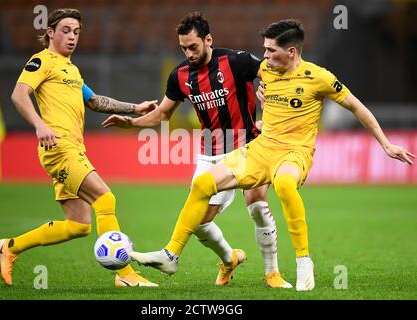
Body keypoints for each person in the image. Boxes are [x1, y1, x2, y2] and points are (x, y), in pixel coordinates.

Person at [126, 19, 415, 291]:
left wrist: (386, 144)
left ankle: (303, 261)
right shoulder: (266, 70)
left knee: (284, 186)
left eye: (270, 50)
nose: (263, 55)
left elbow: (356, 107)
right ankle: (171, 254)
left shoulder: (319, 77)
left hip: (295, 152)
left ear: (290, 52)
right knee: (202, 184)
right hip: (261, 147)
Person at [102, 12, 292, 288]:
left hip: (247, 145)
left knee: (258, 207)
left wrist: (268, 92)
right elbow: (163, 114)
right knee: (199, 223)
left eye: (193, 46)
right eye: (183, 48)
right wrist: (132, 123)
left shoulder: (235, 61)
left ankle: (272, 273)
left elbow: (272, 72)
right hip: (210, 152)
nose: (189, 53)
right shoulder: (180, 75)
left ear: (208, 40)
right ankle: (229, 258)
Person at [0, 8, 159, 287]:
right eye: (66, 31)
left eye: (77, 32)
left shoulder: (72, 70)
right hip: (59, 147)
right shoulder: (41, 61)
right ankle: (125, 275)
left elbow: (94, 101)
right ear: (50, 33)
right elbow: (18, 94)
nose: (72, 37)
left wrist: (135, 108)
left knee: (79, 225)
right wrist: (39, 124)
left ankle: (10, 247)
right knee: (106, 199)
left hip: (73, 148)